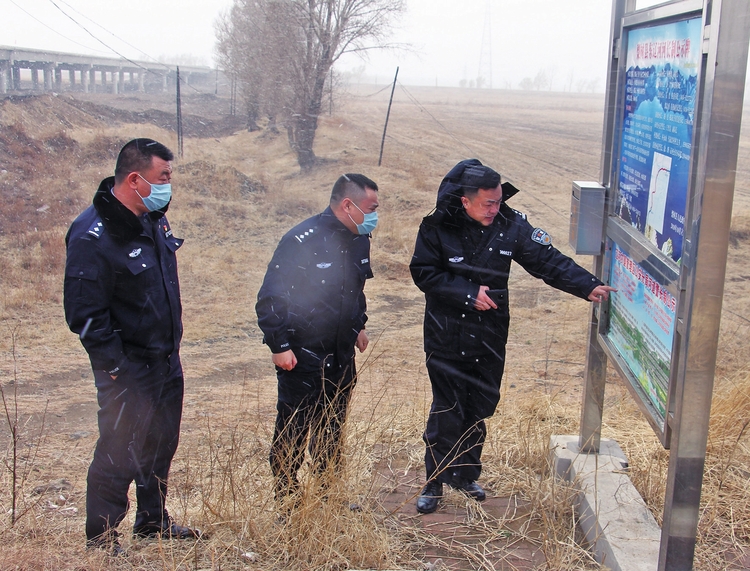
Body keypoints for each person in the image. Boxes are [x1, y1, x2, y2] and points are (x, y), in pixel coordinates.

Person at [409, 159, 615, 514]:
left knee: (480, 403)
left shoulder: (510, 224)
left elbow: (547, 261)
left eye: (499, 200)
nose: (495, 209)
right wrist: (467, 292)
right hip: (446, 333)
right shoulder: (436, 227)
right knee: (448, 406)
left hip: (490, 332)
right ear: (465, 201)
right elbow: (423, 272)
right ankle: (436, 479)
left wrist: (588, 286)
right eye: (488, 203)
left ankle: (465, 474)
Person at [64, 138, 199, 554]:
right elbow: (85, 315)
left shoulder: (152, 218)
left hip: (164, 360)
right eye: (163, 177)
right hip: (127, 368)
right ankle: (102, 541)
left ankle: (152, 523)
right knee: (117, 452)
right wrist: (118, 369)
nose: (168, 186)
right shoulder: (93, 235)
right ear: (136, 179)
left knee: (161, 443)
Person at [256, 173, 379, 506]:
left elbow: (355, 289)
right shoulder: (302, 240)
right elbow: (270, 298)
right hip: (303, 354)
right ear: (347, 204)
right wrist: (279, 345)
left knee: (332, 428)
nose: (374, 216)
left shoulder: (358, 237)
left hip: (340, 355)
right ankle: (288, 500)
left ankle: (328, 495)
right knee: (293, 431)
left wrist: (359, 325)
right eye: (371, 208)